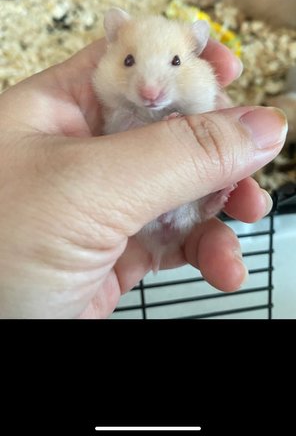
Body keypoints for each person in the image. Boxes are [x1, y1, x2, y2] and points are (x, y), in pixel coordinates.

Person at [0, 37, 287, 319]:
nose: (150, 90)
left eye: (175, 61)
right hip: (138, 222)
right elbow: (117, 133)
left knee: (200, 199)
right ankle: (204, 205)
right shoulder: (113, 111)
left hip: (176, 216)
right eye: (129, 61)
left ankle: (205, 205)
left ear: (196, 53)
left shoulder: (197, 92)